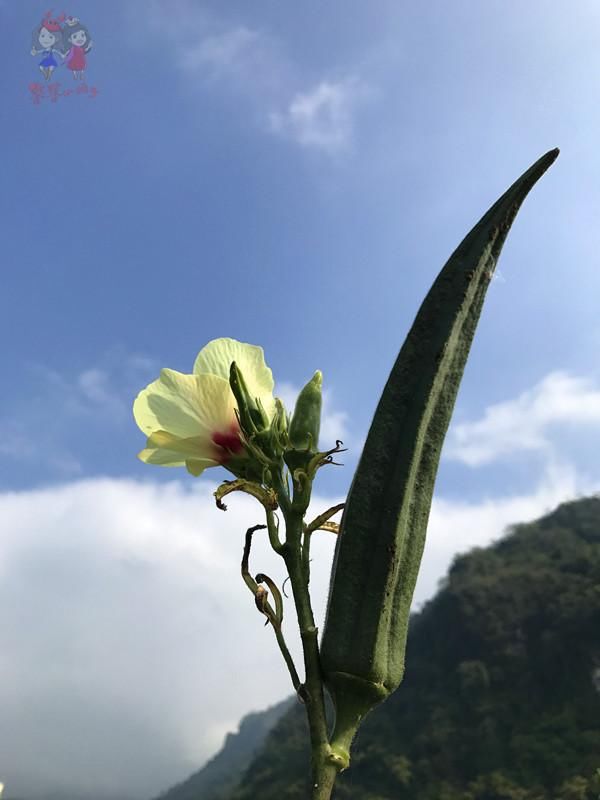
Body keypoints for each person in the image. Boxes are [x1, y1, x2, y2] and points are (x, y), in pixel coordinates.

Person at [62, 17, 93, 81]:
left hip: (81, 60)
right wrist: (65, 56)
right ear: (69, 39)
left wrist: (89, 46)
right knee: (74, 68)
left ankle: (81, 75)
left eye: (82, 35)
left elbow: (85, 50)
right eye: (75, 36)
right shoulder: (72, 48)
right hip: (74, 60)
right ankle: (75, 75)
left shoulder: (81, 48)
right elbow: (69, 54)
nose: (80, 39)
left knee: (82, 67)